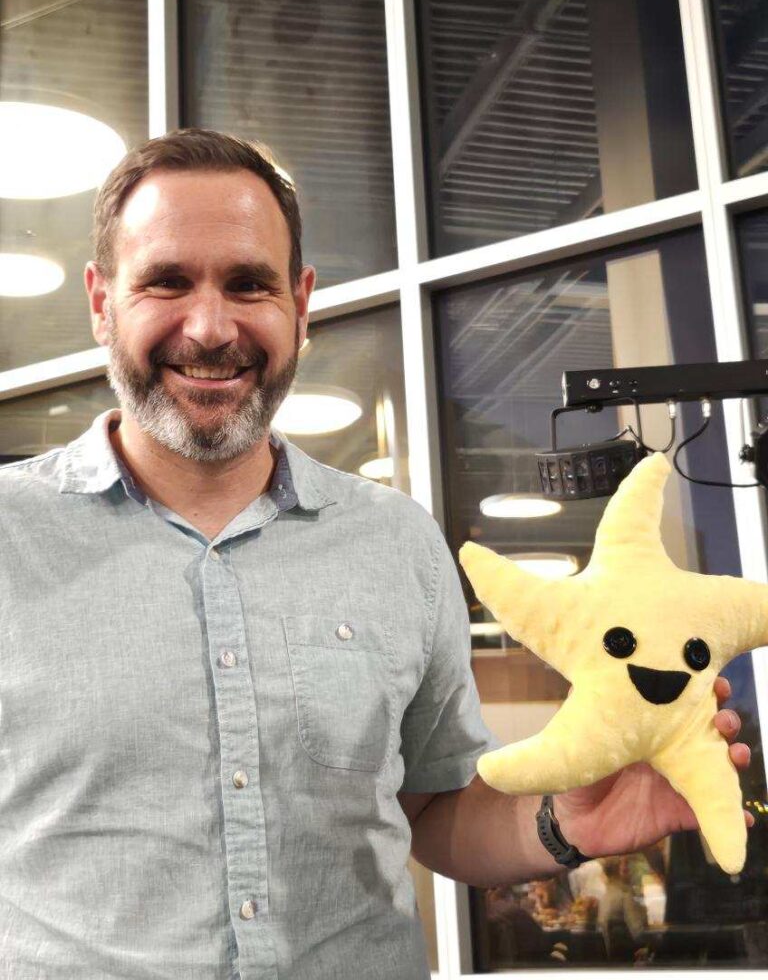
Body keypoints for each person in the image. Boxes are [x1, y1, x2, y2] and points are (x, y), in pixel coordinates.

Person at [0, 128, 751, 980]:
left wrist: (568, 823)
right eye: (166, 282)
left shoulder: (396, 541)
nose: (210, 328)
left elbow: (435, 810)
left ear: (301, 302)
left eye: (248, 284)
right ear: (102, 302)